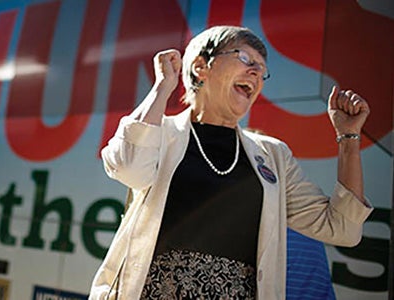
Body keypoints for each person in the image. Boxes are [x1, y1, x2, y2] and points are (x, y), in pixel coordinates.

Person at [89, 25, 373, 299]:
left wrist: (349, 137)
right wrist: (163, 87)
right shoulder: (160, 133)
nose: (256, 72)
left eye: (262, 70)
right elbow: (128, 166)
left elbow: (342, 229)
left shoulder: (273, 156)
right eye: (245, 58)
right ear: (201, 66)